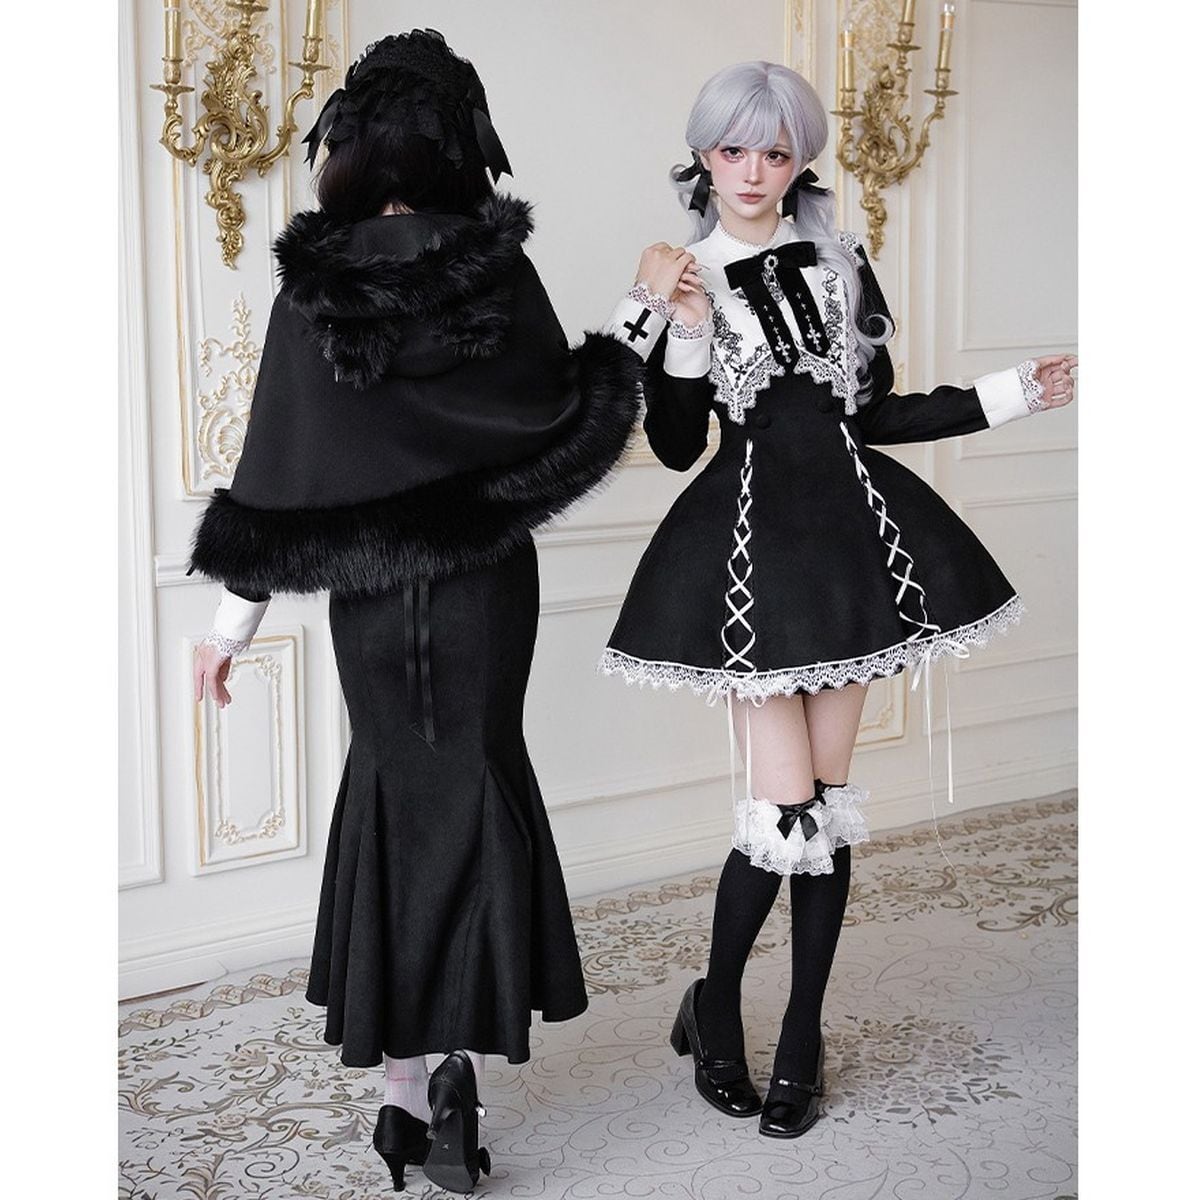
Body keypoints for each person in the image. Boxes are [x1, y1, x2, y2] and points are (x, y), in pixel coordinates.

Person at [189, 30, 642, 1193]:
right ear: (457, 142)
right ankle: (452, 1070)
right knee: (478, 779)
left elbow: (278, 465)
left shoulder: (316, 285)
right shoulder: (497, 268)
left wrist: (231, 628)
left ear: (349, 143)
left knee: (394, 792)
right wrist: (637, 327)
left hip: (373, 599)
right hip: (488, 582)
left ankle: (401, 1089)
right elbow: (563, 408)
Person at [599, 60, 1075, 1139]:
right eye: (733, 149)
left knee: (824, 807)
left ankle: (801, 1032)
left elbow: (880, 414)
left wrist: (1014, 394)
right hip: (747, 559)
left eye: (775, 152)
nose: (752, 171)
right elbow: (673, 445)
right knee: (784, 813)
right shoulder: (683, 273)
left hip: (849, 548)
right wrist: (679, 321)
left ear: (800, 159)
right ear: (703, 155)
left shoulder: (840, 262)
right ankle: (718, 1007)